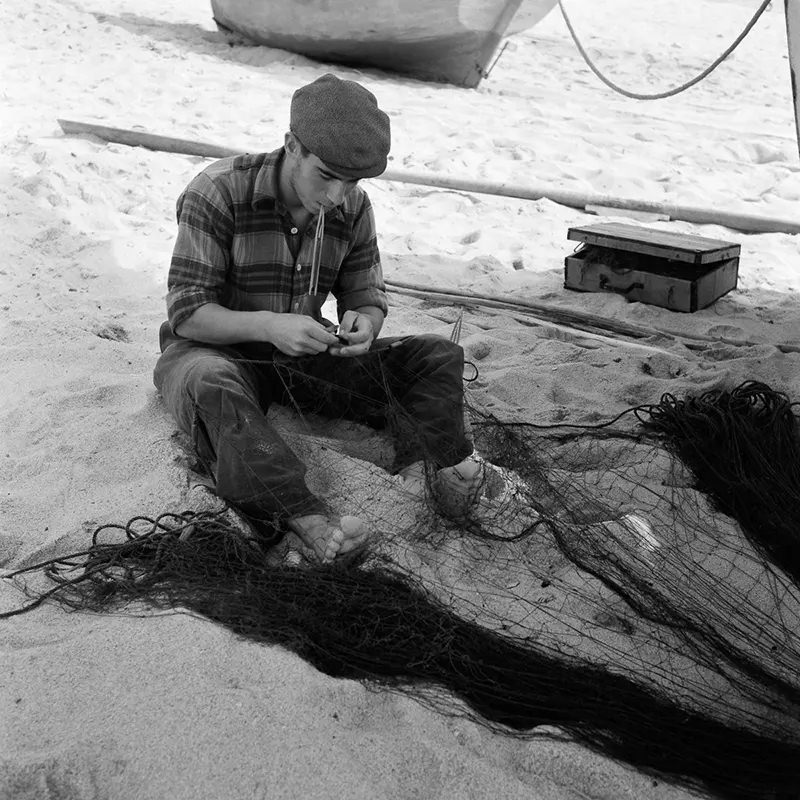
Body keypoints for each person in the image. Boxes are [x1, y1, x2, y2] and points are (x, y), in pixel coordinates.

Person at [153, 73, 482, 564]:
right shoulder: (217, 190)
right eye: (326, 175)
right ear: (292, 146)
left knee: (436, 355)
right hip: (215, 351)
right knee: (213, 384)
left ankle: (433, 468)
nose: (337, 194)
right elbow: (187, 313)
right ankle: (305, 516)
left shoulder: (352, 204)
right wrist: (268, 325)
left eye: (352, 181)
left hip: (303, 352)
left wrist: (363, 324)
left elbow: (366, 294)